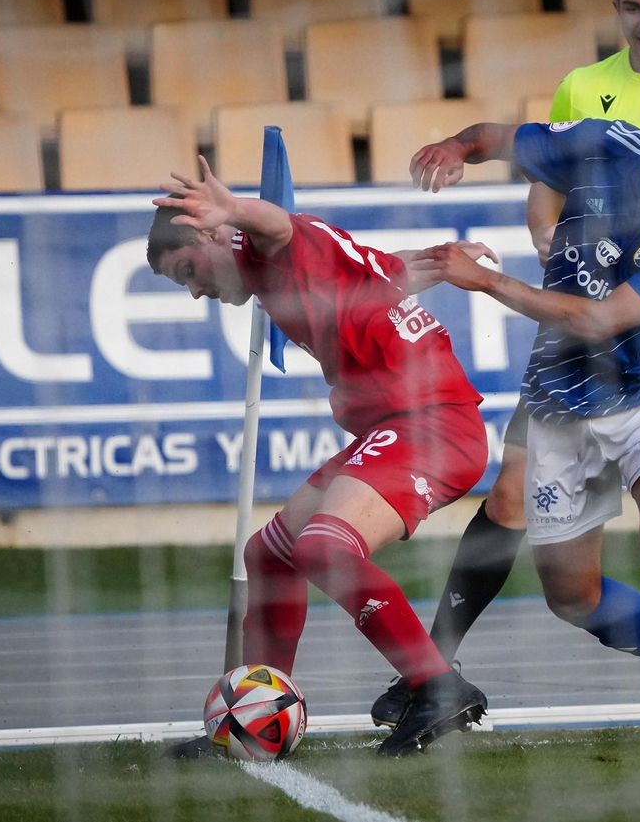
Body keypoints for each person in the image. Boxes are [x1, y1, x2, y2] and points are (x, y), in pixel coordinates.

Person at [372, 0, 640, 730]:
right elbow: (528, 155)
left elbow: (615, 308)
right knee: (567, 588)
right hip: (562, 376)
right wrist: (462, 147)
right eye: (634, 5)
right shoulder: (598, 111)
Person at [147, 157, 499, 758]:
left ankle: (438, 687)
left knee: (324, 547)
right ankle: (255, 712)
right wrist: (445, 257)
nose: (197, 290)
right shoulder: (293, 269)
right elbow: (388, 272)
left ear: (210, 235)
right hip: (394, 428)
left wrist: (231, 208)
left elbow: (278, 226)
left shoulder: (271, 249)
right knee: (269, 554)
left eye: (188, 272)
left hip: (430, 425)